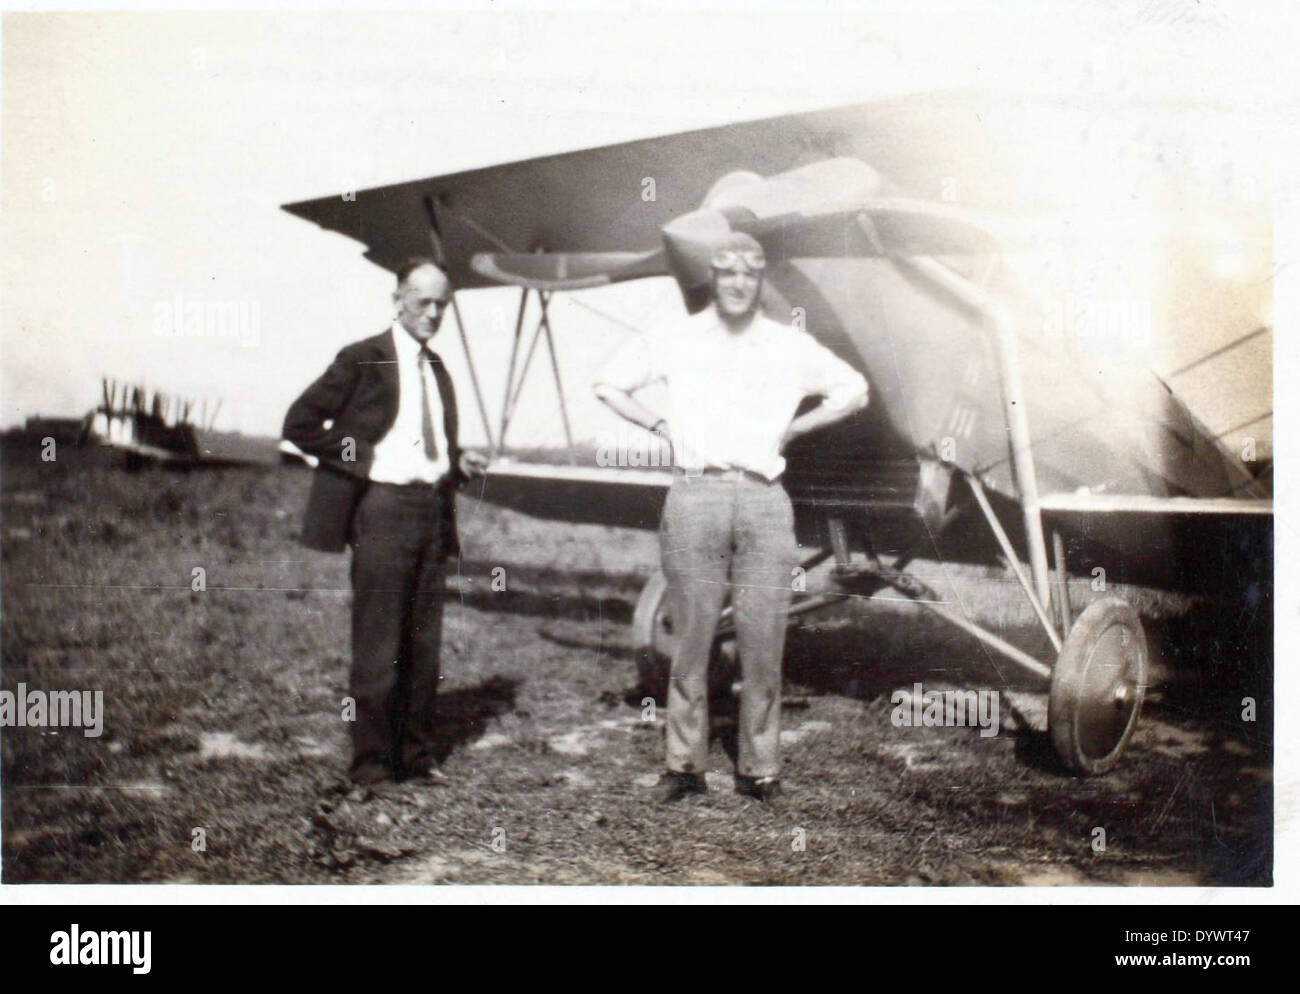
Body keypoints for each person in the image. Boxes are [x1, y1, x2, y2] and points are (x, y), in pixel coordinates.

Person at [593, 232, 868, 803]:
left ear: (760, 280)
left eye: (750, 272)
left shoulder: (788, 344)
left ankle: (760, 768)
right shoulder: (677, 337)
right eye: (727, 272)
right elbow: (609, 383)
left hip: (765, 499)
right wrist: (660, 427)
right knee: (692, 638)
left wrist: (798, 428)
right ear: (711, 280)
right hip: (696, 497)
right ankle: (683, 766)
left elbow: (854, 390)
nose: (739, 282)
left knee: (763, 639)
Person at [283, 258, 488, 797]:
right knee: (379, 644)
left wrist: (457, 459)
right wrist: (362, 457)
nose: (434, 312)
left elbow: (427, 440)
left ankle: (416, 757)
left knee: (423, 645)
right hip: (382, 510)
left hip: (430, 511)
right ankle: (371, 766)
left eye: (442, 303)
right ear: (398, 299)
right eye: (423, 301)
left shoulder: (436, 368)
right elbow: (299, 424)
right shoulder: (362, 358)